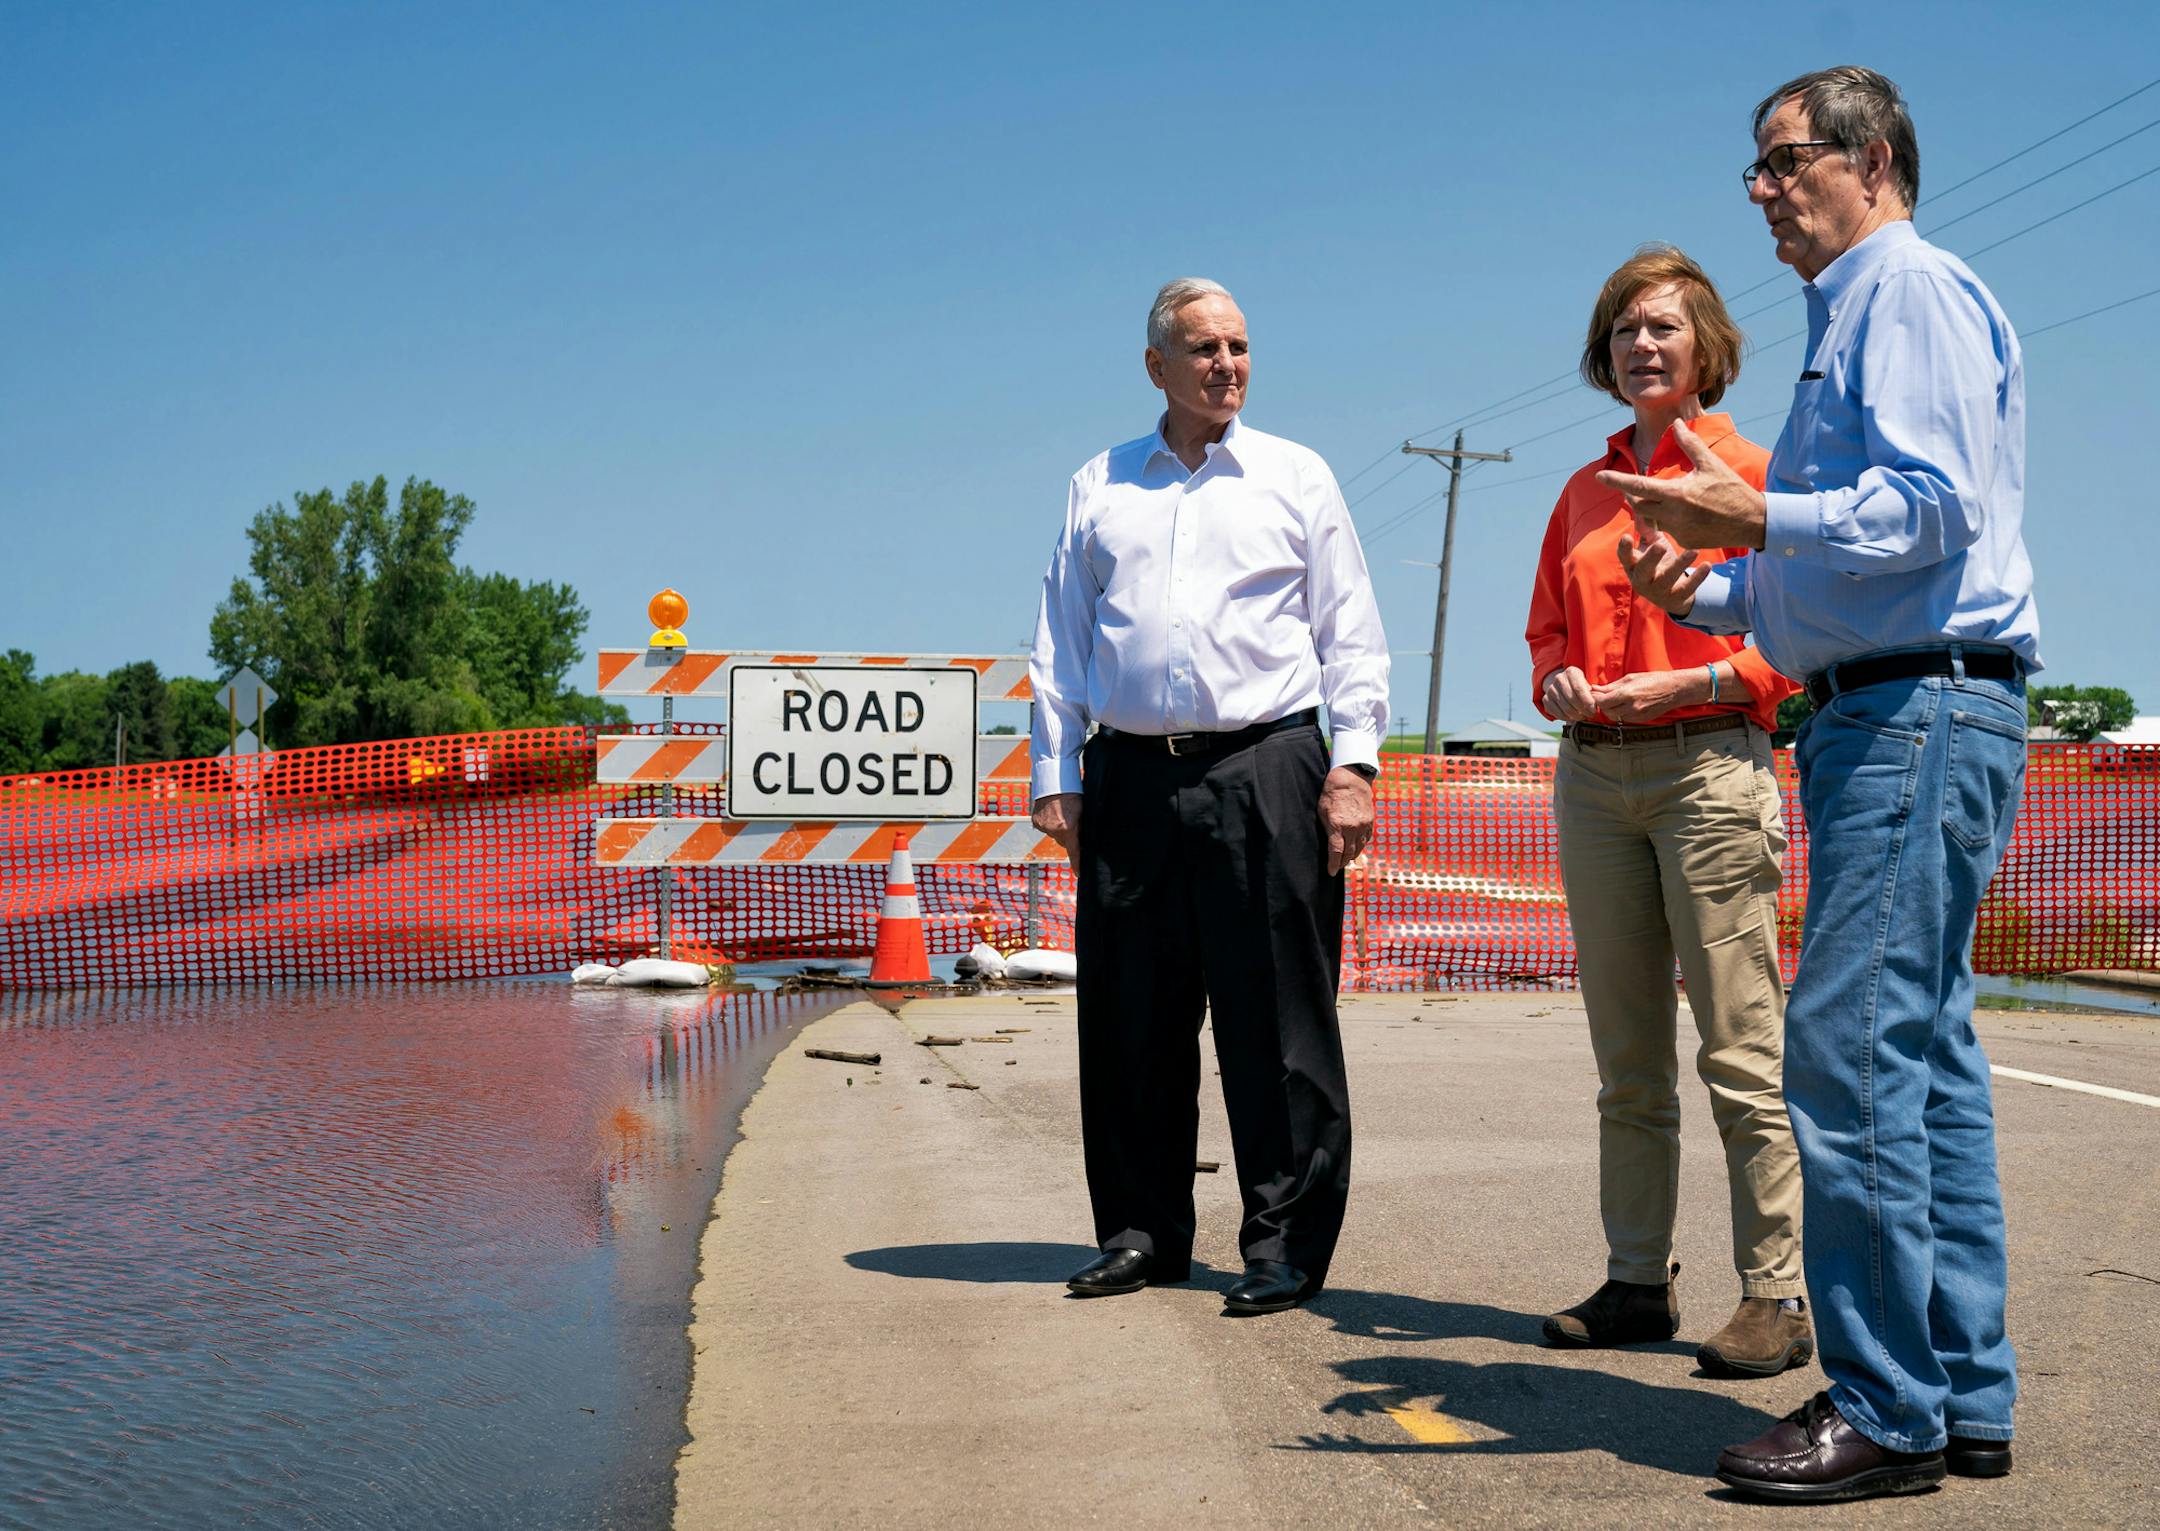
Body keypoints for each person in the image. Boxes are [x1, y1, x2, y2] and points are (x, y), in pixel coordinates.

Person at [1609, 67, 2041, 1502]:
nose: (1759, 187)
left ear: (1869, 157)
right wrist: (1722, 582)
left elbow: (1932, 508)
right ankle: (1958, 1391)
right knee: (1921, 1068)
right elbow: (1832, 574)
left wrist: (1753, 507)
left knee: (1847, 1056)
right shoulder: (1848, 315)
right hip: (1901, 703)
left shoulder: (1900, 289)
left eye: (1781, 159)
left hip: (1916, 707)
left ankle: (1887, 1403)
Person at [1028, 277, 1390, 1316]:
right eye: (1202, 349)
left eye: (1237, 347)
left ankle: (1283, 1244)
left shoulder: (1295, 477)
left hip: (1267, 767)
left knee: (1274, 1020)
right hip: (1132, 776)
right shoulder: (1101, 483)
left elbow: (1350, 634)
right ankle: (1142, 1233)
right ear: (1157, 367)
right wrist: (1057, 775)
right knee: (1131, 1017)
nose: (1225, 365)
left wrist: (1353, 766)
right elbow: (1062, 640)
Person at [1525, 245, 1811, 1378]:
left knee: (1741, 1048)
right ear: (1606, 353)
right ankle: (1637, 1279)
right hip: (1594, 776)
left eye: (1665, 327)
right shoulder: (1580, 492)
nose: (1644, 345)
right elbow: (1547, 626)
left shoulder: (1749, 475)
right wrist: (1557, 678)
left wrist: (1687, 684)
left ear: (1707, 348)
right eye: (1625, 330)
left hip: (1709, 768)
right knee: (1627, 1056)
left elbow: (1791, 645)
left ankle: (1776, 1294)